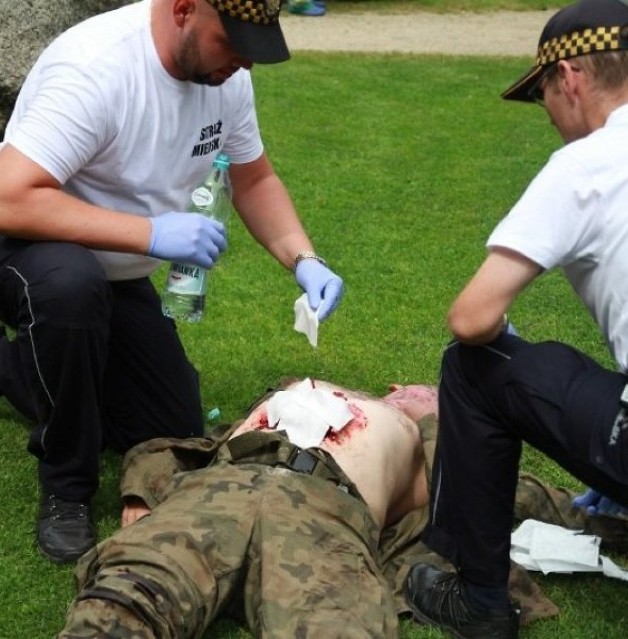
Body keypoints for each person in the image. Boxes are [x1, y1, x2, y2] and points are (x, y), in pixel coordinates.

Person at [0, 0, 344, 564]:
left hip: (110, 264)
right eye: (233, 43)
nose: (245, 63)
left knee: (168, 428)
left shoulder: (227, 78)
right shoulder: (98, 67)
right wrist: (150, 232)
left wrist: (304, 260)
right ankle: (66, 488)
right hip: (10, 244)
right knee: (70, 289)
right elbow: (5, 202)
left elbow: (254, 178)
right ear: (183, 9)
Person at [55, 378, 628, 638]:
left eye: (426, 393)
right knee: (123, 603)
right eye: (414, 391)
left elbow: (508, 491)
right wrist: (141, 495)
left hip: (326, 514)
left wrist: (599, 522)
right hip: (221, 492)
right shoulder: (303, 389)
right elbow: (166, 452)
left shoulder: (424, 434)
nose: (412, 390)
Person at [403, 1, 628, 637]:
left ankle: (478, 599)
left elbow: (471, 318)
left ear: (571, 77)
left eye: (542, 97)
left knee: (475, 366)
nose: (549, 115)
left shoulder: (586, 164)